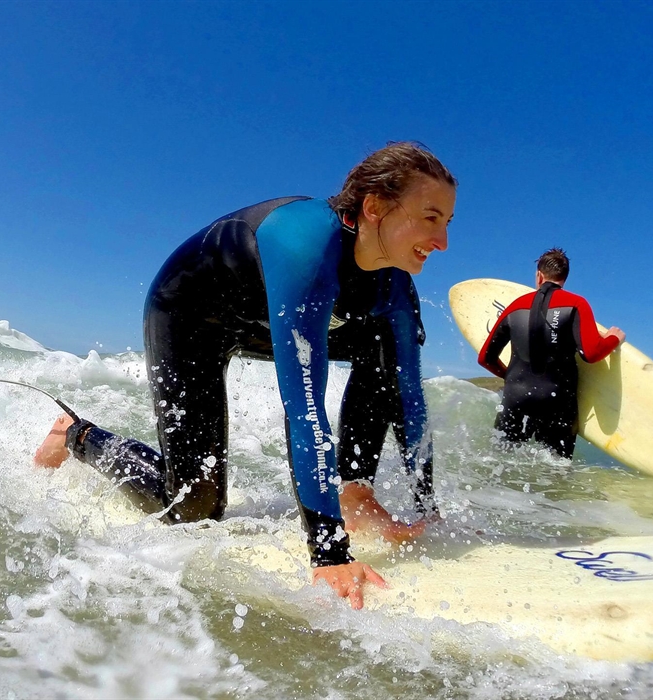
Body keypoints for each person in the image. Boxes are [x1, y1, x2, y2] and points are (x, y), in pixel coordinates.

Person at [34, 142, 457, 609]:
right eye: (430, 218)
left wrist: (427, 508)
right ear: (375, 207)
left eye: (448, 223)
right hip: (191, 315)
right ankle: (76, 434)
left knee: (388, 351)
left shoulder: (396, 287)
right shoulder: (306, 244)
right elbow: (305, 408)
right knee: (193, 512)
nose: (443, 243)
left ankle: (355, 491)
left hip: (261, 323)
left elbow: (410, 398)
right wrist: (329, 551)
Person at [477, 248, 624, 458]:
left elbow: (485, 358)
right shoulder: (576, 304)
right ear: (565, 277)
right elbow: (590, 353)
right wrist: (613, 338)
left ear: (539, 275)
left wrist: (510, 377)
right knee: (555, 474)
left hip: (515, 398)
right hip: (557, 402)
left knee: (501, 465)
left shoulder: (514, 307)